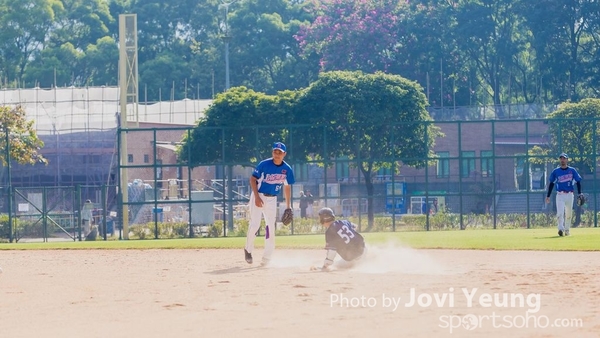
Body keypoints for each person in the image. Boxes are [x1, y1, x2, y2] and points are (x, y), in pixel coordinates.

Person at [244, 142, 295, 266]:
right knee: (255, 224)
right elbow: (253, 179)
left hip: (272, 199)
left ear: (284, 154)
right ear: (272, 152)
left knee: (270, 228)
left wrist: (288, 206)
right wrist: (256, 197)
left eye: (280, 152)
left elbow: (287, 187)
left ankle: (266, 258)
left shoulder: (287, 169)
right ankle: (248, 249)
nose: (277, 154)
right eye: (275, 152)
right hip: (259, 195)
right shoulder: (264, 164)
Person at [312, 207, 366, 271]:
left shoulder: (329, 232)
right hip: (364, 249)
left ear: (324, 219)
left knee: (337, 265)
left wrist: (325, 266)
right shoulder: (343, 222)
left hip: (353, 259)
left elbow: (332, 252)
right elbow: (355, 226)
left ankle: (326, 266)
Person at [545, 153, 582, 237]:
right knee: (560, 213)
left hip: (570, 195)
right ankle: (560, 229)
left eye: (564, 158)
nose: (562, 160)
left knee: (569, 214)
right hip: (560, 195)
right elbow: (551, 183)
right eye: (561, 158)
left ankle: (567, 230)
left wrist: (580, 193)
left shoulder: (572, 170)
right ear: (559, 160)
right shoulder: (556, 171)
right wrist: (548, 196)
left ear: (567, 160)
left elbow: (578, 181)